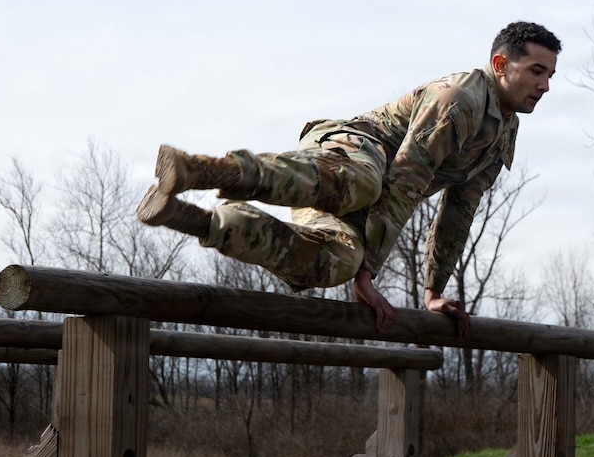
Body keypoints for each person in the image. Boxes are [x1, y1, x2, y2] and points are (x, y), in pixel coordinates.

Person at [137, 21, 561, 336]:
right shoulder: (460, 100)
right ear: (501, 64)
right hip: (353, 152)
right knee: (364, 182)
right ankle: (201, 169)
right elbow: (406, 181)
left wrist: (432, 291)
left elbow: (458, 212)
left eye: (550, 77)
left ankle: (191, 219)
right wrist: (370, 274)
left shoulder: (503, 133)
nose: (544, 85)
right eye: (536, 71)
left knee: (338, 260)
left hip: (365, 201)